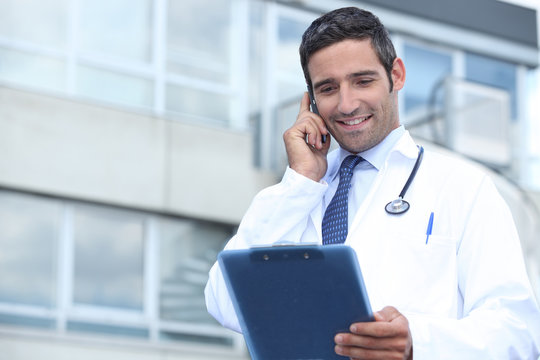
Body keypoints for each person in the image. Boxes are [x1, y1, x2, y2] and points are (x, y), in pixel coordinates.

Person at [205, 6, 540, 359]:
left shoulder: (462, 187)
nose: (347, 104)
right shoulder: (297, 192)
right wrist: (300, 181)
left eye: (363, 81)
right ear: (311, 100)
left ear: (396, 75)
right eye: (328, 88)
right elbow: (224, 302)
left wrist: (418, 342)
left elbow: (519, 334)